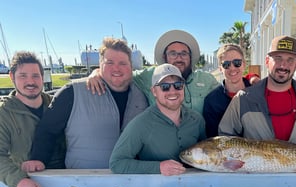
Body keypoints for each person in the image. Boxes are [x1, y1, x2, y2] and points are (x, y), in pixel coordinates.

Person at [23, 37, 148, 170]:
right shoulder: (72, 92)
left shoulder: (143, 94)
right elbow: (47, 130)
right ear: (100, 66)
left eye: (123, 63)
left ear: (131, 67)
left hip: (132, 181)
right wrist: (39, 159)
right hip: (82, 182)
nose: (116, 68)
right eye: (109, 62)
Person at [218, 35, 296, 168]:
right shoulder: (243, 99)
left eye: (290, 60)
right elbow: (226, 139)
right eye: (278, 58)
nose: (283, 65)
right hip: (254, 180)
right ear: (267, 61)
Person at [87, 30, 219, 116]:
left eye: (184, 53)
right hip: (161, 148)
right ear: (164, 56)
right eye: (173, 53)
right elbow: (122, 73)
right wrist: (97, 72)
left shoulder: (207, 79)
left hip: (197, 150)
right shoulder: (149, 76)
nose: (179, 58)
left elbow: (229, 94)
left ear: (190, 57)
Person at [109, 63, 206, 175]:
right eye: (165, 87)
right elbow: (116, 163)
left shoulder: (197, 120)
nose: (172, 91)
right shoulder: (141, 124)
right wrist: (158, 167)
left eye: (178, 85)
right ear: (154, 91)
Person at [0, 51, 64, 187]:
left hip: (67, 181)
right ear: (11, 76)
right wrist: (18, 180)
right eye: (23, 76)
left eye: (35, 76)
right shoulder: (3, 115)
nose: (30, 82)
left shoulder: (59, 104)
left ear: (42, 78)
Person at [203, 44, 251, 137]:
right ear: (220, 68)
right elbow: (213, 138)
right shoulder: (211, 101)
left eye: (237, 62)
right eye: (226, 64)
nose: (232, 68)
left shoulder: (258, 92)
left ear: (244, 64)